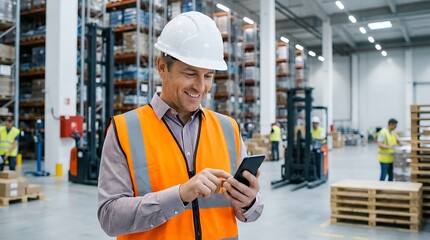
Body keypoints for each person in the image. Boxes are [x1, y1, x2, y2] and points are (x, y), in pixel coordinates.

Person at [97, 11, 263, 240]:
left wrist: (249, 201)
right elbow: (110, 218)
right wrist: (181, 194)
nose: (200, 87)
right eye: (190, 73)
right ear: (162, 67)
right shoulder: (124, 129)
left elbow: (252, 212)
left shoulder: (228, 129)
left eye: (208, 76)